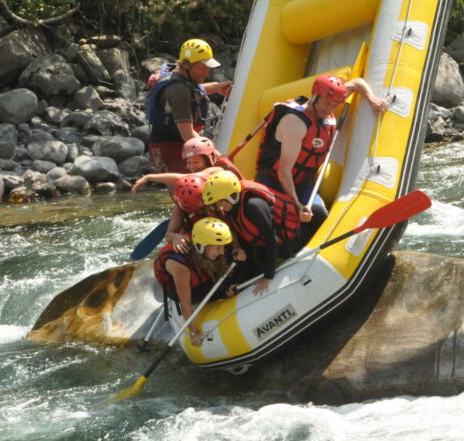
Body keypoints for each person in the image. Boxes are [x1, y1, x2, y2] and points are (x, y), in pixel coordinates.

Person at [255, 74, 388, 242]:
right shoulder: (295, 124)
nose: (330, 109)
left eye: (335, 105)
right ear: (315, 96)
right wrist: (298, 205)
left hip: (303, 182)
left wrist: (373, 100)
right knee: (277, 227)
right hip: (273, 181)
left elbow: (357, 83)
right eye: (327, 103)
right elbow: (284, 171)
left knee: (318, 215)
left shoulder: (331, 96)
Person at [201, 170, 301, 296]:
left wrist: (268, 276)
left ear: (232, 195)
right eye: (217, 203)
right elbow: (247, 244)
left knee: (257, 282)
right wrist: (240, 279)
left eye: (221, 201)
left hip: (286, 245)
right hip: (262, 249)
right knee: (244, 274)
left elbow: (272, 240)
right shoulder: (233, 209)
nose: (219, 206)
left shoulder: (253, 206)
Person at [145, 38, 232, 173]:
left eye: (208, 68)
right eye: (203, 68)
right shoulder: (178, 90)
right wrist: (216, 154)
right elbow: (187, 134)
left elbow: (193, 90)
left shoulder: (179, 74)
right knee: (188, 189)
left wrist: (217, 87)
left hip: (187, 146)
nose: (207, 73)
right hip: (168, 150)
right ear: (186, 64)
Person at [153, 217, 237, 345]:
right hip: (186, 289)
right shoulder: (181, 268)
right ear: (202, 246)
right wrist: (193, 333)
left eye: (222, 247)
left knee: (232, 262)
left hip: (199, 265)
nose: (221, 252)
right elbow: (185, 303)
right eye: (218, 248)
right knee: (222, 289)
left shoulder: (201, 242)